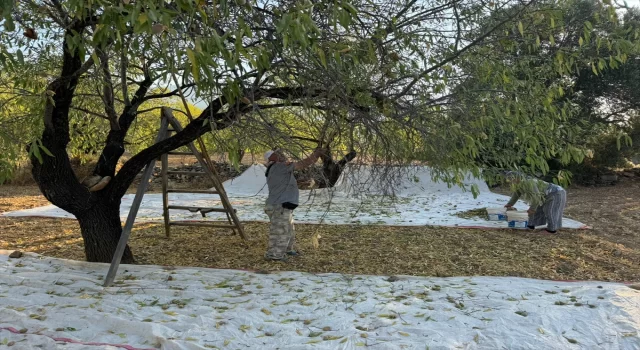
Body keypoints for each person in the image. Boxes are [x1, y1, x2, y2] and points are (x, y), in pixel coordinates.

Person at [263, 148, 324, 261]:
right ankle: (275, 255)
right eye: (277, 154)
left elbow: (285, 184)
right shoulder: (279, 167)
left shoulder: (278, 169)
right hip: (279, 206)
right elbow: (303, 164)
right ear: (272, 158)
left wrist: (301, 183)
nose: (281, 155)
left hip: (282, 205)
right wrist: (316, 154)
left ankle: (287, 249)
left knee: (289, 229)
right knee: (280, 231)